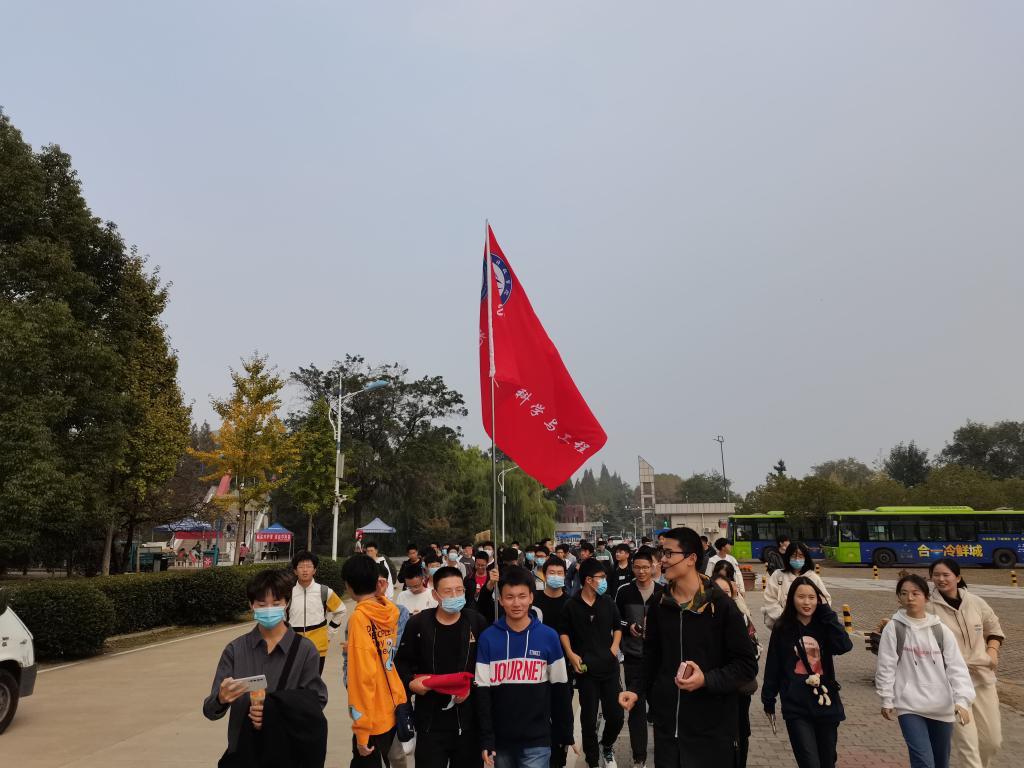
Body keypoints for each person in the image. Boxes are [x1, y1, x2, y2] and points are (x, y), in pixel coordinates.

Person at [618, 527, 757, 767]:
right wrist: (636, 689)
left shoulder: (720, 605)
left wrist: (706, 680)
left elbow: (746, 665)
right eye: (662, 553)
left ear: (691, 558)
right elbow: (652, 656)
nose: (662, 560)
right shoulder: (661, 603)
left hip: (711, 731)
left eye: (669, 553)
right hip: (667, 729)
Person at [203, 569, 327, 761]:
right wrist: (221, 698)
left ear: (286, 603)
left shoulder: (305, 650)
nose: (269, 609)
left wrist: (272, 712)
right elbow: (210, 711)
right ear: (251, 605)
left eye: (276, 604)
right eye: (261, 604)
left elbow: (317, 701)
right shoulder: (235, 650)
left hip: (286, 753)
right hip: (244, 752)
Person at [476, 566, 575, 768]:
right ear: (500, 600)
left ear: (531, 598)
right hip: (501, 741)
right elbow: (482, 693)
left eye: (522, 596)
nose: (516, 603)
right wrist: (486, 738)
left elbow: (560, 688)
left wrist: (565, 732)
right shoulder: (488, 638)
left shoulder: (548, 636)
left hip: (537, 740)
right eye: (509, 597)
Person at [875, 574, 975, 768]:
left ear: (926, 597)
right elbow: (886, 666)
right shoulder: (894, 628)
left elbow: (957, 667)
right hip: (909, 706)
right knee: (923, 762)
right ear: (899, 598)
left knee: (940, 762)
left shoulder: (941, 630)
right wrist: (887, 698)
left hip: (942, 706)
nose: (910, 598)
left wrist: (962, 700)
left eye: (915, 593)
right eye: (904, 593)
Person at [396, 566, 488, 768]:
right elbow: (401, 662)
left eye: (459, 590)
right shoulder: (419, 624)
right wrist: (410, 682)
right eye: (448, 591)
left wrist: (471, 685)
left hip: (468, 723)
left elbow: (486, 666)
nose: (455, 595)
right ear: (435, 595)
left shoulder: (476, 622)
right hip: (430, 722)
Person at [761, 576, 852, 768]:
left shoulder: (825, 625)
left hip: (825, 702)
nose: (807, 602)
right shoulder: (782, 628)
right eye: (801, 597)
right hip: (796, 705)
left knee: (827, 761)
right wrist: (768, 699)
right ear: (791, 599)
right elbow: (774, 665)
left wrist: (827, 613)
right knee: (809, 762)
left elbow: (844, 645)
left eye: (812, 597)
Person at [928, 558, 1004, 768]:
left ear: (958, 577)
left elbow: (994, 628)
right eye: (936, 575)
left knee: (991, 742)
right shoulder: (928, 607)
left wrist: (992, 652)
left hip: (983, 680)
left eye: (946, 575)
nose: (941, 579)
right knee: (968, 746)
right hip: (951, 685)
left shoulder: (975, 602)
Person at [343, 554, 408, 767]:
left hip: (372, 715)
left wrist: (361, 731)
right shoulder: (388, 611)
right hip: (392, 704)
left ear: (349, 586)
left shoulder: (359, 618)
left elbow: (363, 678)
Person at [560, 558, 623, 768]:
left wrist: (613, 649)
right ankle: (593, 760)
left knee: (616, 716)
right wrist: (570, 654)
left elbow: (618, 627)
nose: (604, 581)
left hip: (609, 669)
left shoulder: (608, 602)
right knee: (588, 721)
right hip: (586, 671)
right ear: (588, 580)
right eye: (601, 577)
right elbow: (564, 632)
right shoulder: (571, 605)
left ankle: (607, 745)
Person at [614, 547, 664, 768]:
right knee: (636, 710)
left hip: (659, 660)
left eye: (645, 567)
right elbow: (616, 619)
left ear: (653, 567)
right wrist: (629, 626)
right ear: (632, 568)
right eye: (637, 567)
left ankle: (664, 755)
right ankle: (639, 757)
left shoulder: (663, 592)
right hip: (633, 657)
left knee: (660, 710)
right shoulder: (624, 591)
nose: (641, 571)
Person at [289, 550, 347, 674]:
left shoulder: (324, 591)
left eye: (309, 566)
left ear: (314, 570)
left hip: (318, 648)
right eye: (301, 567)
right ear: (295, 571)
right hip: (293, 647)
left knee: (314, 682)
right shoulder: (287, 593)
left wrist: (329, 634)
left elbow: (341, 610)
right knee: (293, 682)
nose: (305, 570)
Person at [762, 542, 831, 630]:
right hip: (783, 625)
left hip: (808, 626)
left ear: (806, 558)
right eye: (793, 556)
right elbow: (770, 598)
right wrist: (784, 617)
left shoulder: (813, 577)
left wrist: (810, 618)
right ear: (788, 557)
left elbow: (825, 600)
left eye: (801, 556)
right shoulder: (778, 575)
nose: (797, 559)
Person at [533, 556, 570, 636]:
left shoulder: (570, 603)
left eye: (559, 573)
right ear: (544, 575)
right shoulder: (533, 600)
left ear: (564, 576)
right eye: (552, 573)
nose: (556, 576)